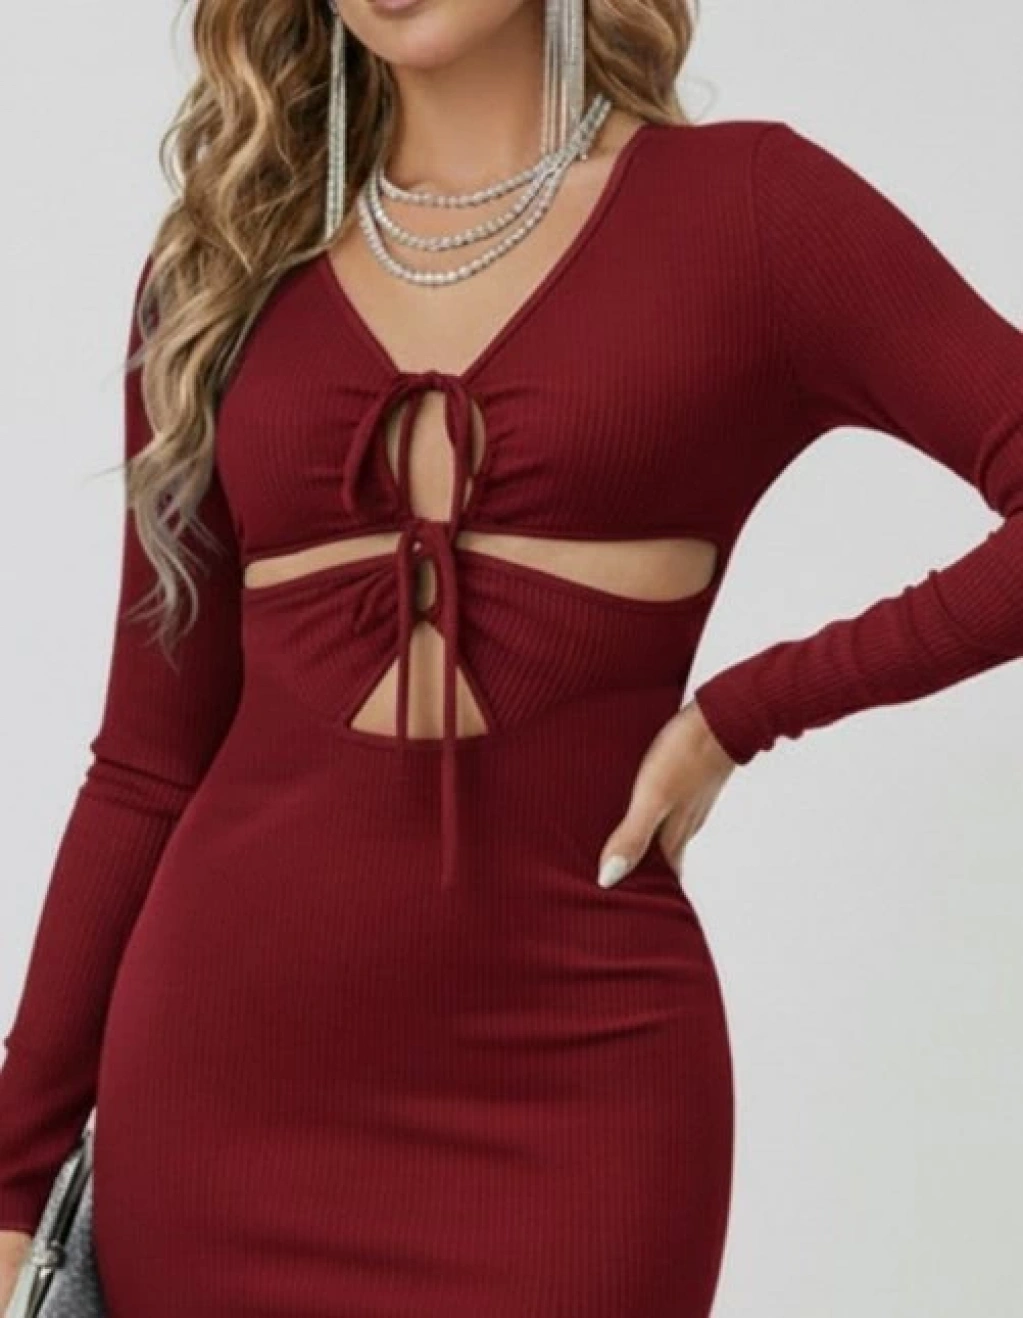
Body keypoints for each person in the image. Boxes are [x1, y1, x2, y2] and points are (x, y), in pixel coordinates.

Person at [1, 1, 1022, 1314]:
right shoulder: (224, 267)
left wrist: (748, 709)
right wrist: (14, 1174)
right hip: (217, 1087)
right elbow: (148, 763)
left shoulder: (751, 214)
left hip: (575, 1081)